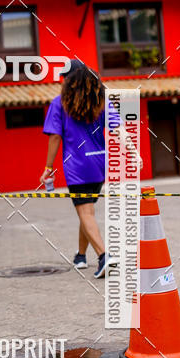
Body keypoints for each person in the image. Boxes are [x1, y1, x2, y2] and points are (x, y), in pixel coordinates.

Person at [40, 59, 117, 278]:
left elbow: (55, 136)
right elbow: (115, 127)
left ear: (70, 79)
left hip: (77, 165)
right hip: (99, 163)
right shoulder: (100, 100)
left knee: (84, 211)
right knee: (87, 211)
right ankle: (81, 256)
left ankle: (104, 256)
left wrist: (48, 166)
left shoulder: (59, 103)